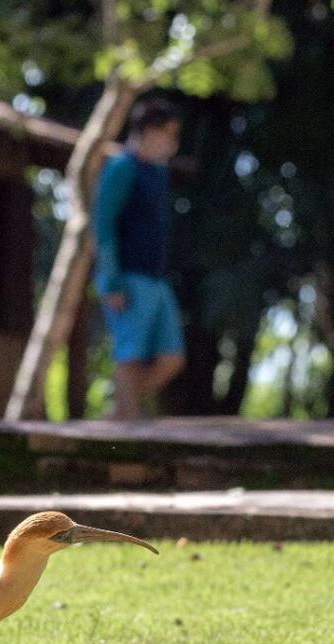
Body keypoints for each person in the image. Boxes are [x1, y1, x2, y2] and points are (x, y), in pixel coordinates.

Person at [93, 97, 186, 419]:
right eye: (169, 133)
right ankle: (126, 432)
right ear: (148, 130)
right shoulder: (121, 167)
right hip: (126, 276)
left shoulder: (158, 173)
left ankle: (118, 413)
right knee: (129, 356)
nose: (173, 143)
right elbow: (104, 225)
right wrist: (112, 279)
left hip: (156, 277)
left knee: (172, 358)